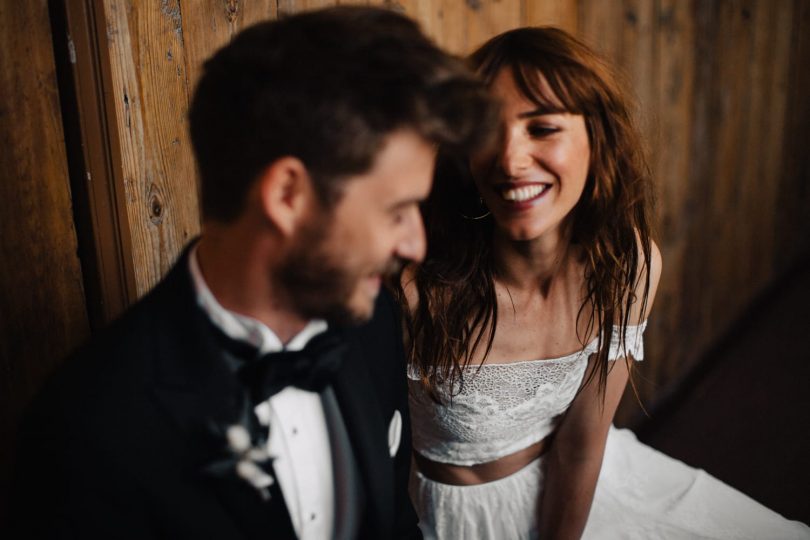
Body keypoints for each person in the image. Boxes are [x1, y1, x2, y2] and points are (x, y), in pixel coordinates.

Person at [9, 7, 498, 539]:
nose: (415, 244)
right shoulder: (88, 428)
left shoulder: (374, 319)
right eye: (396, 211)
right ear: (288, 195)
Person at [396, 27, 810, 539]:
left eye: (542, 128)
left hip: (581, 488)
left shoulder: (627, 264)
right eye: (485, 131)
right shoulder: (418, 288)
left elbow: (582, 443)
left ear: (597, 137)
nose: (510, 159)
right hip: (455, 517)